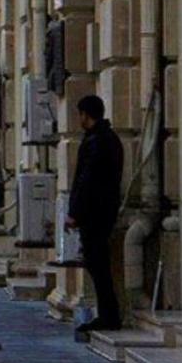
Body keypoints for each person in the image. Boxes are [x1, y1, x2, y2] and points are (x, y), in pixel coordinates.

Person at [66, 95, 124, 333]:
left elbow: (86, 181)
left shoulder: (95, 142)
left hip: (94, 214)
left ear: (85, 115)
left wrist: (74, 213)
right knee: (98, 264)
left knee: (97, 264)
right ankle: (108, 314)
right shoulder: (111, 139)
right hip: (105, 210)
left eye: (80, 114)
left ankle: (109, 316)